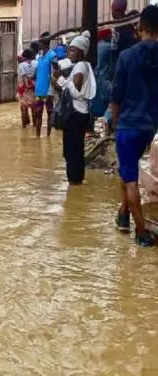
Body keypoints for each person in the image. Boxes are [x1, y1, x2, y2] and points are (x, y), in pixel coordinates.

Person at [111, 5, 158, 247]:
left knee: (130, 178)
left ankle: (141, 232)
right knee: (125, 168)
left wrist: (114, 122)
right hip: (150, 126)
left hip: (128, 125)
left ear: (140, 27)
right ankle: (123, 214)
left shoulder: (127, 56)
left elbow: (116, 95)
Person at [61, 31, 96, 186]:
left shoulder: (80, 67)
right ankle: (77, 180)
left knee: (71, 150)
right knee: (77, 149)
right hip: (82, 113)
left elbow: (76, 92)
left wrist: (62, 81)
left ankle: (74, 182)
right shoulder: (85, 65)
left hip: (75, 114)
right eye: (70, 50)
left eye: (73, 50)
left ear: (82, 52)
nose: (70, 53)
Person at [33, 32, 56, 138]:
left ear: (44, 43)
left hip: (48, 91)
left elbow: (54, 75)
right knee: (38, 114)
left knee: (50, 113)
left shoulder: (52, 56)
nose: (38, 45)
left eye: (40, 43)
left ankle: (48, 136)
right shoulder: (40, 57)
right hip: (39, 91)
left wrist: (51, 91)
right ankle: (37, 137)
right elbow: (37, 73)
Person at [18, 50, 36, 128]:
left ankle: (24, 125)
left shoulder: (21, 65)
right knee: (34, 107)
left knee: (23, 108)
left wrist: (27, 85)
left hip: (24, 89)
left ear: (24, 57)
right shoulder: (36, 63)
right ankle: (35, 124)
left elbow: (23, 76)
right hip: (34, 88)